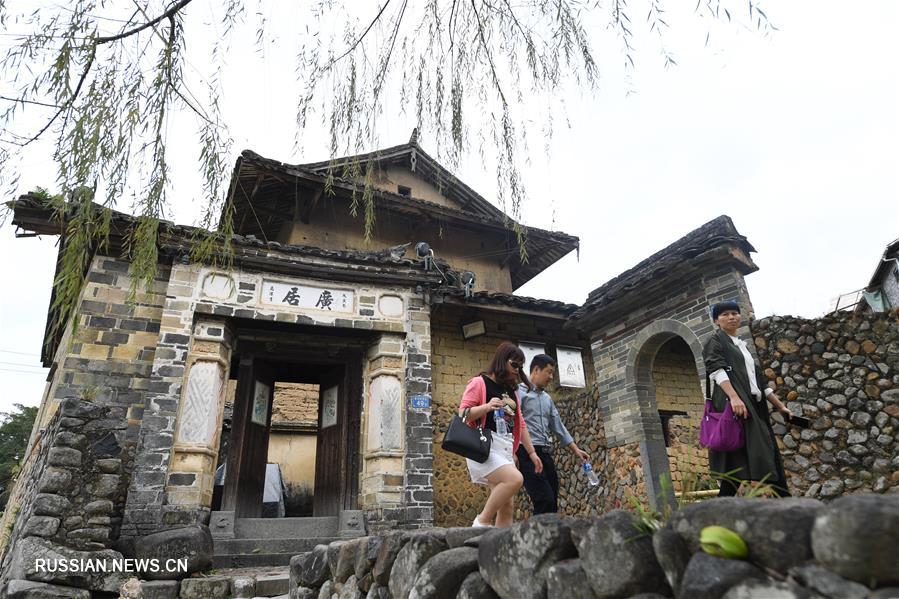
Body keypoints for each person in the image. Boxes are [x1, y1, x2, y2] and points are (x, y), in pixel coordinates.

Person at [703, 300, 793, 497]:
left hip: (753, 405)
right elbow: (716, 370)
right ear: (716, 320)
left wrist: (780, 407)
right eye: (725, 314)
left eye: (734, 313)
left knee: (739, 460)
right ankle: (785, 500)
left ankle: (721, 507)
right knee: (759, 451)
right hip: (736, 405)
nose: (731, 317)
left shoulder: (741, 346)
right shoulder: (716, 340)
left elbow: (759, 384)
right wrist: (734, 397)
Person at [459, 342, 543, 527]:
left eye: (521, 367)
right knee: (515, 479)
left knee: (507, 505)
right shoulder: (479, 383)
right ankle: (481, 522)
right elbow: (463, 414)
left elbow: (520, 424)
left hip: (505, 446)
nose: (517, 370)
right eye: (514, 364)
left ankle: (499, 545)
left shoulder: (512, 391)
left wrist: (532, 453)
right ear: (502, 360)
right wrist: (487, 407)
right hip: (484, 445)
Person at [516, 354, 590, 514]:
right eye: (548, 372)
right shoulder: (519, 393)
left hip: (545, 453)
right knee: (544, 499)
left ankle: (548, 535)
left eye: (552, 373)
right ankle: (539, 536)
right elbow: (512, 424)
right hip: (526, 453)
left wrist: (576, 450)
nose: (551, 377)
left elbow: (558, 426)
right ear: (536, 370)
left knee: (552, 500)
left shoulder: (547, 399)